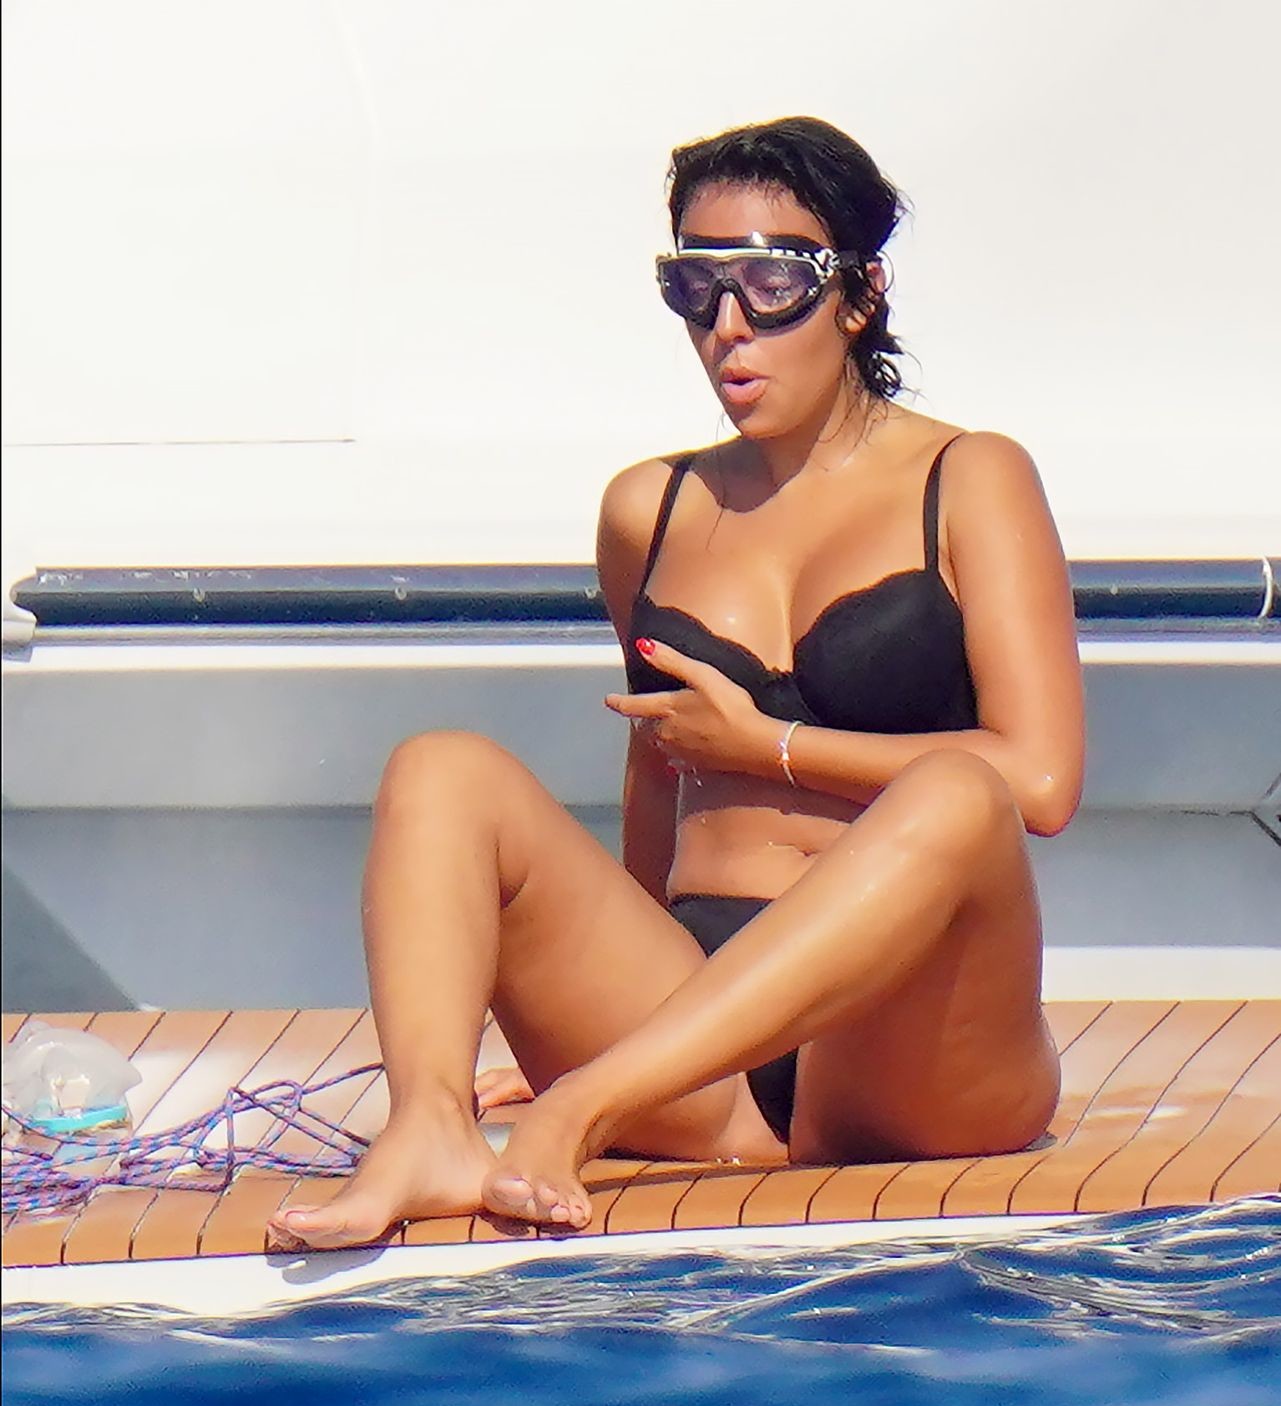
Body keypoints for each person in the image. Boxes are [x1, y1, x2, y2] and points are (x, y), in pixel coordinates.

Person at [267, 115, 1085, 1249]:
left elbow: (1039, 781)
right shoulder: (646, 509)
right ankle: (432, 1125)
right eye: (696, 289)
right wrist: (604, 1003)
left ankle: (582, 1110)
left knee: (956, 795)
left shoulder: (970, 477)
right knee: (441, 769)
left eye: (772, 284)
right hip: (702, 1049)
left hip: (901, 1044)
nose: (728, 327)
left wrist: (768, 750)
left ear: (858, 293)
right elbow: (655, 772)